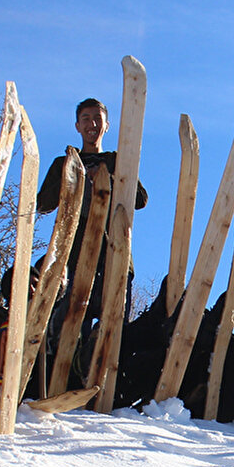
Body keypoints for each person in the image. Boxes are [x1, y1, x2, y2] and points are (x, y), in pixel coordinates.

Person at [37, 98, 148, 319]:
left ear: (107, 125)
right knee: (68, 326)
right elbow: (43, 204)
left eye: (98, 119)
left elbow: (140, 199)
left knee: (113, 330)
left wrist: (108, 181)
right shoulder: (65, 162)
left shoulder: (117, 160)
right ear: (77, 126)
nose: (92, 124)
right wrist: (72, 180)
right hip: (72, 260)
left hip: (114, 256)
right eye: (86, 119)